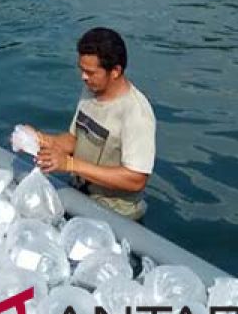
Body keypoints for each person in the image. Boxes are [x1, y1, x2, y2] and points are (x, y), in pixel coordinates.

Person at [21, 28, 156, 221]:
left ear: (115, 71)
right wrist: (41, 140)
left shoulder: (136, 114)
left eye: (90, 72)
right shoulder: (91, 89)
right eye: (82, 69)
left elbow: (136, 179)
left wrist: (69, 164)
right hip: (79, 195)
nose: (83, 77)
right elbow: (76, 138)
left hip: (116, 214)